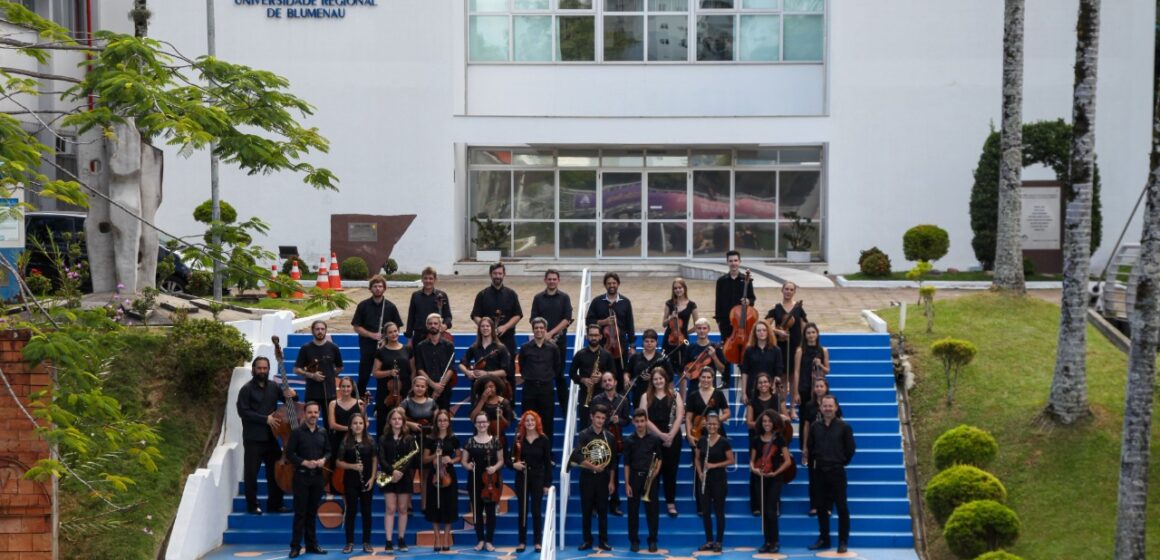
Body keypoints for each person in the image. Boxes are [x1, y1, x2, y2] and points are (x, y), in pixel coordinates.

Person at [236, 356, 294, 515]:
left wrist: (293, 395)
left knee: (276, 472)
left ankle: (275, 504)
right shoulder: (246, 389)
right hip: (253, 438)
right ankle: (252, 505)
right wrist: (265, 419)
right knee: (251, 474)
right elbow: (243, 412)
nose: (262, 371)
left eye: (265, 368)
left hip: (272, 437)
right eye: (259, 368)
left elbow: (289, 402)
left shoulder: (274, 387)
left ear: (268, 369)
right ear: (253, 369)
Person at [805, 394, 856, 554]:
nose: (827, 408)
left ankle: (843, 541)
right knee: (820, 507)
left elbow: (850, 450)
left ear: (836, 407)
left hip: (837, 472)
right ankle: (824, 539)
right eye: (825, 406)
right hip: (819, 472)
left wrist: (840, 462)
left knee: (842, 508)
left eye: (830, 406)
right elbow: (811, 447)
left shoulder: (844, 427)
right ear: (821, 408)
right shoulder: (815, 427)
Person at [285, 401, 330, 558]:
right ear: (305, 414)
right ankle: (296, 546)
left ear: (319, 414)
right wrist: (304, 462)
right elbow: (289, 453)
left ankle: (311, 545)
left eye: (315, 412)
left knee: (312, 513)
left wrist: (324, 460)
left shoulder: (323, 432)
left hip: (317, 478)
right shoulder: (297, 432)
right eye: (310, 412)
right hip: (301, 477)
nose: (313, 415)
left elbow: (329, 451)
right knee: (300, 513)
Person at [471, 262, 523, 389]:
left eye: (500, 273)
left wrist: (505, 327)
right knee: (486, 374)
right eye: (495, 273)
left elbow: (518, 315)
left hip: (507, 340)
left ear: (504, 274)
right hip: (486, 343)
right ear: (490, 275)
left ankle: (509, 406)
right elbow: (475, 315)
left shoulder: (511, 294)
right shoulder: (482, 294)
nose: (497, 276)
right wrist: (486, 327)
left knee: (509, 375)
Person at [685, 365, 729, 515]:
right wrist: (689, 434)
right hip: (698, 435)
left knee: (717, 470)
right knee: (700, 470)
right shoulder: (693, 395)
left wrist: (714, 421)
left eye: (709, 377)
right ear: (699, 378)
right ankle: (702, 506)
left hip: (716, 435)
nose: (705, 380)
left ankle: (717, 503)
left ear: (713, 379)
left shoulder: (718, 394)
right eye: (703, 377)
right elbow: (689, 417)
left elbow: (727, 412)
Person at [640, 366, 683, 518]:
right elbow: (644, 419)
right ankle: (653, 502)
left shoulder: (675, 395)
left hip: (673, 437)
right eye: (655, 379)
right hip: (653, 438)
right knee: (653, 471)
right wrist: (660, 435)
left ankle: (670, 502)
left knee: (671, 471)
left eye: (660, 378)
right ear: (652, 381)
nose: (658, 381)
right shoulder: (646, 396)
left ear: (665, 379)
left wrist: (670, 435)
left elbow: (679, 417)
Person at [572, 404, 615, 551]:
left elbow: (612, 462)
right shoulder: (584, 434)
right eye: (598, 417)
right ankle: (587, 540)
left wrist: (611, 481)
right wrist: (593, 467)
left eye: (603, 418)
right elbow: (577, 456)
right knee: (587, 510)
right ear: (591, 416)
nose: (600, 420)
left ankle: (603, 541)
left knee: (603, 511)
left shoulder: (609, 437)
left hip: (603, 478)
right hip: (588, 477)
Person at [351, 275, 403, 396]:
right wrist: (371, 335)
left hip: (386, 347)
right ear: (370, 289)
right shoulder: (363, 305)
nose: (378, 289)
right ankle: (357, 402)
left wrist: (386, 340)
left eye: (380, 286)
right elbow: (356, 326)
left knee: (385, 377)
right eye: (375, 286)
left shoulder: (390, 306)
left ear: (384, 288)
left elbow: (397, 328)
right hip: (367, 346)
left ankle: (383, 404)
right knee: (363, 376)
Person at [750, 410, 793, 554]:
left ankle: (775, 541)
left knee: (771, 510)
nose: (767, 424)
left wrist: (776, 472)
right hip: (760, 477)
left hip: (775, 478)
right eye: (764, 421)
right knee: (763, 511)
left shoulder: (779, 439)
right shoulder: (756, 439)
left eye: (769, 421)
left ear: (774, 423)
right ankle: (767, 542)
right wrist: (754, 469)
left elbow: (787, 461)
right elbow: (752, 460)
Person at [529, 268, 573, 410]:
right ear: (545, 280)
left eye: (554, 279)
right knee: (541, 376)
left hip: (558, 343)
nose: (552, 281)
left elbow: (567, 319)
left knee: (559, 376)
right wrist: (543, 336)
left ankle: (565, 409)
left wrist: (550, 334)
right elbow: (533, 319)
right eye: (550, 279)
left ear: (558, 281)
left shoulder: (565, 298)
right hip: (541, 344)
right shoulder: (538, 298)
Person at [509, 410, 552, 553]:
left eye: (532, 420)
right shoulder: (518, 439)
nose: (530, 423)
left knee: (536, 510)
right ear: (523, 423)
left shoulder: (543, 439)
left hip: (538, 476)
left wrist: (547, 484)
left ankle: (538, 542)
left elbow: (547, 463)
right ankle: (522, 542)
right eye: (527, 420)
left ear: (537, 422)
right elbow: (510, 460)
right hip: (522, 476)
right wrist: (514, 465)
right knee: (523, 510)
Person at [335, 413, 378, 554]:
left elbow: (374, 460)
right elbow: (338, 462)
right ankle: (349, 542)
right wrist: (352, 466)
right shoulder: (346, 441)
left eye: (360, 423)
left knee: (367, 512)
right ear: (350, 426)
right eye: (355, 423)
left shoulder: (370, 440)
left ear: (364, 425)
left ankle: (367, 542)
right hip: (351, 480)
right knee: (351, 511)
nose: (358, 426)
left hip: (367, 480)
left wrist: (372, 478)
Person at [378, 407, 418, 552]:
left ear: (403, 421)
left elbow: (410, 458)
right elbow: (381, 458)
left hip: (404, 476)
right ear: (389, 421)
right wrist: (392, 471)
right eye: (394, 419)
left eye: (399, 419)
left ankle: (401, 539)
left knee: (402, 509)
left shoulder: (410, 439)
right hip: (388, 476)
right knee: (390, 508)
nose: (397, 421)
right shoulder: (383, 438)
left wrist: (400, 472)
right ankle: (388, 541)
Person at [463, 411, 505, 551]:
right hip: (475, 480)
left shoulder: (496, 441)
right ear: (475, 424)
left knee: (491, 511)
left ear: (488, 423)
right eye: (479, 422)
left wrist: (495, 468)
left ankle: (489, 541)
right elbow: (464, 461)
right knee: (477, 512)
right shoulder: (470, 441)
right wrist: (468, 466)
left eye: (484, 422)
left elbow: (501, 461)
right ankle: (480, 540)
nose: (481, 424)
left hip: (491, 481)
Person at [590, 371, 630, 517]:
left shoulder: (623, 400)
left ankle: (614, 504)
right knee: (597, 474)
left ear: (615, 382)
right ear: (602, 384)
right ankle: (595, 505)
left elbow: (627, 420)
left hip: (616, 440)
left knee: (615, 472)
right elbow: (593, 421)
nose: (607, 383)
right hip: (600, 440)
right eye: (605, 381)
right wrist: (607, 421)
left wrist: (619, 420)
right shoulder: (597, 400)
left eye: (610, 380)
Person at [622, 409, 662, 553]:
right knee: (633, 512)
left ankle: (652, 541)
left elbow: (659, 459)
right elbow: (626, 464)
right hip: (634, 478)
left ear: (646, 421)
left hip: (650, 478)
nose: (640, 424)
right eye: (637, 421)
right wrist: (627, 484)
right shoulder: (628, 441)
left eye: (642, 421)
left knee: (653, 512)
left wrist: (655, 473)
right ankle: (634, 541)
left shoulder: (654, 439)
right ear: (633, 422)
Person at [517, 317, 562, 442]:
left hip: (546, 388)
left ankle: (547, 454)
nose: (539, 330)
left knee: (547, 421)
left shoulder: (553, 348)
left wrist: (547, 376)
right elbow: (522, 365)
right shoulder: (525, 347)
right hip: (529, 388)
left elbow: (557, 367)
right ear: (533, 330)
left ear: (545, 330)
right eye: (536, 328)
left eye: (541, 328)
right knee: (528, 420)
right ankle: (527, 453)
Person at [694, 413, 733, 553]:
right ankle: (709, 541)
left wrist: (714, 466)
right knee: (705, 512)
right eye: (709, 424)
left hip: (719, 480)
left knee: (719, 512)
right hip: (704, 480)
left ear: (719, 425)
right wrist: (699, 473)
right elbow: (697, 458)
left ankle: (719, 542)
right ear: (706, 425)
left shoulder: (724, 442)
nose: (712, 426)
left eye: (714, 424)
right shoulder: (702, 441)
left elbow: (731, 460)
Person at [294, 321, 343, 429]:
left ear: (325, 330)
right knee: (309, 423)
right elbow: (296, 369)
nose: (320, 331)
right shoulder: (305, 348)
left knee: (330, 424)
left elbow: (340, 367)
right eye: (317, 329)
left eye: (322, 329)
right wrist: (311, 375)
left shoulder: (333, 347)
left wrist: (331, 375)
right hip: (312, 392)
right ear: (312, 331)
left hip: (329, 392)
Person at [424, 409, 460, 553]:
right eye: (440, 420)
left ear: (449, 422)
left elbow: (459, 456)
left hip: (448, 474)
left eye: (445, 420)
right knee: (434, 506)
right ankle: (437, 539)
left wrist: (450, 459)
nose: (442, 423)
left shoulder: (453, 438)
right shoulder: (430, 439)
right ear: (436, 422)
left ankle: (446, 539)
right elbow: (425, 459)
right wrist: (435, 456)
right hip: (434, 475)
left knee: (449, 506)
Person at [585, 272, 635, 375]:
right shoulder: (597, 301)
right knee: (603, 374)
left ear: (618, 284)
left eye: (614, 283)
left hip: (621, 346)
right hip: (603, 345)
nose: (612, 285)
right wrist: (604, 322)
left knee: (620, 374)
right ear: (605, 285)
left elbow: (630, 324)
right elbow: (589, 321)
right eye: (609, 283)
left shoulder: (625, 302)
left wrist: (632, 345)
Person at [767, 282, 807, 408]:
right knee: (782, 377)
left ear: (794, 292)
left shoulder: (798, 308)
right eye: (786, 289)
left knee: (793, 377)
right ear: (782, 290)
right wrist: (778, 331)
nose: (788, 291)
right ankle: (782, 407)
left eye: (791, 290)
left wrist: (803, 346)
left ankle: (793, 407)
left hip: (795, 346)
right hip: (780, 346)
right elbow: (765, 325)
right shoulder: (776, 308)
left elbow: (804, 327)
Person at [800, 376, 835, 517]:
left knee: (829, 477)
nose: (819, 388)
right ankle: (814, 505)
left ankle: (827, 506)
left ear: (826, 388)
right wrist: (805, 447)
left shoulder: (832, 403)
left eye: (821, 386)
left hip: (830, 447)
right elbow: (806, 425)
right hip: (814, 446)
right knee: (814, 477)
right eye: (817, 386)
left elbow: (840, 422)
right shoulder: (809, 405)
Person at [570, 324, 615, 430]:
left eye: (596, 335)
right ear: (587, 336)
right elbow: (572, 373)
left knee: (603, 426)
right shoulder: (580, 354)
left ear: (600, 336)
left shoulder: (607, 355)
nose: (593, 338)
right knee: (584, 426)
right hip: (585, 395)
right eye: (591, 335)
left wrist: (602, 377)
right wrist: (583, 379)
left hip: (603, 395)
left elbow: (614, 373)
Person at [745, 373, 778, 515]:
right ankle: (756, 505)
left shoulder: (777, 400)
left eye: (766, 382)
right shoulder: (752, 402)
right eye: (760, 383)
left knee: (774, 471)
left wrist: (781, 419)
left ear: (770, 384)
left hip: (774, 441)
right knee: (755, 472)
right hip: (757, 440)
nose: (763, 385)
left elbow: (785, 416)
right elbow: (749, 423)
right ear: (757, 385)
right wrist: (764, 425)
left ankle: (774, 504)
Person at [372, 322, 412, 432]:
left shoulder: (407, 350)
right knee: (384, 422)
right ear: (385, 335)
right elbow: (375, 373)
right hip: (386, 392)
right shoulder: (381, 352)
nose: (394, 334)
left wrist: (412, 388)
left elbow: (412, 371)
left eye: (395, 331)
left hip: (404, 390)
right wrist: (389, 372)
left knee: (404, 420)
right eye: (390, 332)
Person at [414, 313, 457, 410]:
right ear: (426, 325)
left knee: (444, 417)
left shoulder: (449, 345)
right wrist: (433, 385)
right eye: (430, 324)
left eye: (435, 323)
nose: (432, 326)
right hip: (426, 388)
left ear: (440, 325)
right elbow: (419, 368)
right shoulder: (420, 346)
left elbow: (451, 368)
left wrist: (440, 386)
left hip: (444, 388)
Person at [714, 250, 756, 343]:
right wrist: (718, 320)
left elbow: (752, 298)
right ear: (727, 262)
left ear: (739, 262)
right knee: (726, 345)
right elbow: (718, 301)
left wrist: (749, 301)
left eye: (735, 260)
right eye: (731, 261)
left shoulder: (746, 279)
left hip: (741, 321)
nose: (733, 263)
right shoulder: (721, 281)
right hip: (726, 321)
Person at [740, 320, 783, 407]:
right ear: (755, 333)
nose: (761, 333)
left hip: (770, 389)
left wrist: (774, 386)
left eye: (764, 330)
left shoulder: (776, 350)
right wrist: (744, 392)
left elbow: (778, 371)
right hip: (752, 389)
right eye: (758, 330)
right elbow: (744, 372)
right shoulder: (749, 350)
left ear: (768, 332)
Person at [327, 377, 363, 477]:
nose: (346, 389)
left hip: (355, 438)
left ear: (352, 388)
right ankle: (334, 488)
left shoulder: (359, 403)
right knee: (335, 462)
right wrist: (350, 429)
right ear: (339, 387)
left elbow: (366, 423)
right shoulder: (333, 403)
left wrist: (356, 429)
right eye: (343, 386)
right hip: (338, 438)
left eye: (348, 386)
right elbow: (332, 424)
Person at [626, 329, 673, 407]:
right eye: (646, 341)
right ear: (643, 342)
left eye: (652, 341)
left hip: (658, 396)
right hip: (638, 395)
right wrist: (626, 379)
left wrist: (653, 377)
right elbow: (627, 372)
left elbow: (670, 378)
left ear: (656, 342)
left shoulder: (663, 359)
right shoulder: (635, 357)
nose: (649, 343)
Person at [405, 266, 452, 342]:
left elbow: (448, 316)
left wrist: (445, 325)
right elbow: (411, 317)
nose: (428, 281)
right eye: (425, 278)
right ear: (422, 280)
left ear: (435, 280)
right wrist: (409, 336)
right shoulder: (415, 295)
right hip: (419, 336)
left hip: (436, 336)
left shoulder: (442, 295)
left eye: (430, 278)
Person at [460, 317, 510, 386]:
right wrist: (468, 373)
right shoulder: (474, 347)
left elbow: (505, 372)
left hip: (496, 385)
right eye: (482, 326)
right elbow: (461, 364)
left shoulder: (501, 348)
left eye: (487, 326)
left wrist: (486, 374)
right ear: (479, 329)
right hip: (478, 386)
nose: (485, 328)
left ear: (492, 329)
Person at [661, 277, 697, 371]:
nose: (678, 290)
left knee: (683, 368)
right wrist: (670, 318)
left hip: (683, 340)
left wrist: (684, 333)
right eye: (675, 288)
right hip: (669, 339)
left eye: (680, 287)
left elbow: (697, 326)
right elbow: (664, 324)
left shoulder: (692, 305)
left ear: (684, 288)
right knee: (667, 369)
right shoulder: (669, 303)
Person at [469, 374, 515, 445]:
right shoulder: (479, 401)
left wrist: (501, 416)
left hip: (498, 438)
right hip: (481, 437)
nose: (489, 389)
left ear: (496, 388)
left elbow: (508, 424)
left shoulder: (503, 401)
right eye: (486, 387)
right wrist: (483, 400)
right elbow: (472, 418)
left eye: (491, 386)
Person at [684, 318, 727, 392]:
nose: (702, 331)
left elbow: (722, 370)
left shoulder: (715, 348)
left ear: (708, 330)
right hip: (694, 387)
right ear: (696, 330)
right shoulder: (690, 347)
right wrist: (687, 373)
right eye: (699, 328)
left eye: (704, 328)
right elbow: (685, 368)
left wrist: (714, 356)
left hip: (710, 387)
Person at [794, 322, 830, 407]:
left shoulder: (823, 350)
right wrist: (796, 392)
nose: (811, 335)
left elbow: (827, 371)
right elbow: (796, 371)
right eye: (808, 333)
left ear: (817, 334)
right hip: (804, 385)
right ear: (805, 335)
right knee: (804, 413)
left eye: (813, 332)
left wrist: (820, 365)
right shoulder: (800, 351)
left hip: (819, 387)